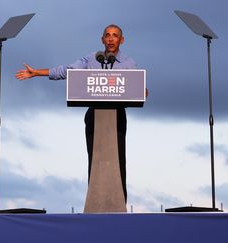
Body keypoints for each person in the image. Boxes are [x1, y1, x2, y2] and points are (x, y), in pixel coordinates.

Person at [15, 24, 137, 201]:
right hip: (95, 116)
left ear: (122, 40)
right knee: (95, 160)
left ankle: (119, 203)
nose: (111, 39)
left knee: (118, 160)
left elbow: (134, 87)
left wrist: (142, 90)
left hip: (116, 117)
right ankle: (96, 201)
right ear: (102, 39)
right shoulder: (92, 59)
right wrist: (37, 73)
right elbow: (67, 71)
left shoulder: (129, 63)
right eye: (107, 35)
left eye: (115, 36)